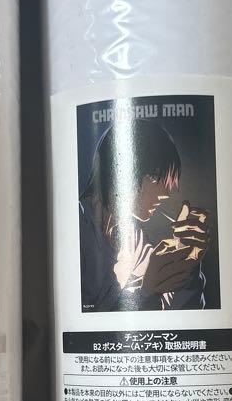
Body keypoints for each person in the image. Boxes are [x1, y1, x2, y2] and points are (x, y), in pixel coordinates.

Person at [78, 119, 211, 311]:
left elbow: (177, 314)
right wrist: (148, 291)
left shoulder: (134, 239)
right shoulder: (77, 230)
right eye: (155, 178)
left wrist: (187, 262)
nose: (165, 194)